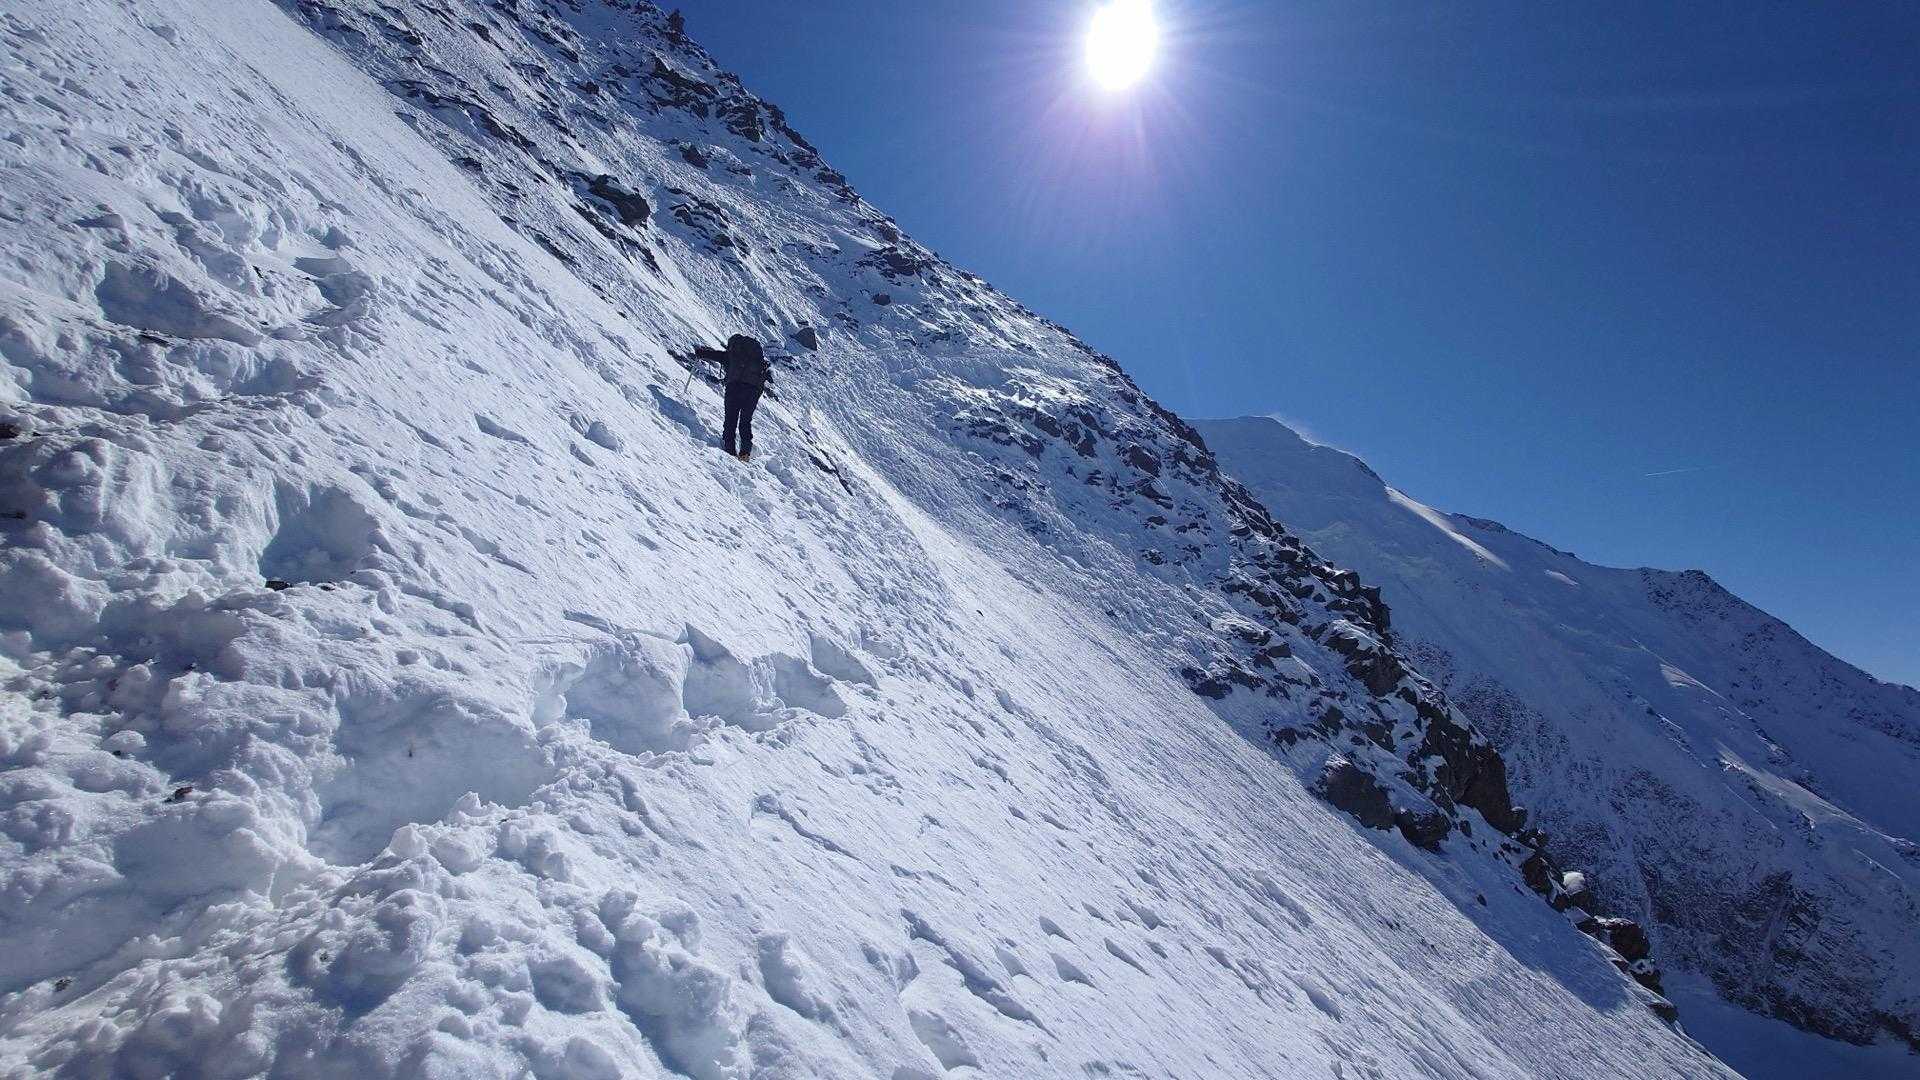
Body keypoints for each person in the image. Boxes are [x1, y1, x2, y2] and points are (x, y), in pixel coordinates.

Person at [692, 334, 771, 460]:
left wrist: (700, 352)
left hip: (734, 388)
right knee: (745, 421)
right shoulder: (757, 359)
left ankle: (730, 450)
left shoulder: (731, 354)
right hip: (752, 392)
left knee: (730, 419)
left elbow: (716, 355)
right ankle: (745, 452)